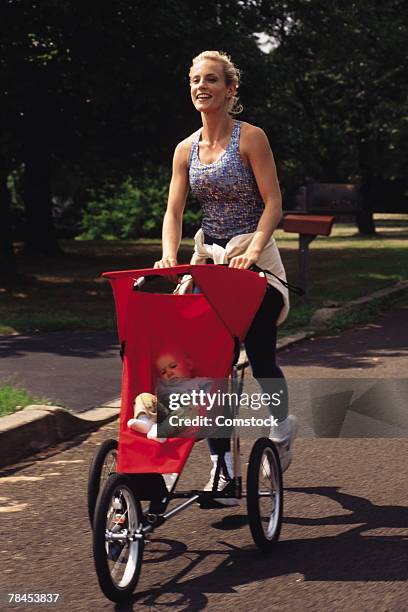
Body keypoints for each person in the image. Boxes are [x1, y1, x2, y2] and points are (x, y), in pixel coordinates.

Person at [154, 50, 297, 501]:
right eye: (195, 79)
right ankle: (221, 465)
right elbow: (174, 210)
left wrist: (253, 250)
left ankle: (282, 426)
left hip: (256, 262)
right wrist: (168, 257)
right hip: (211, 261)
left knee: (260, 357)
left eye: (212, 79)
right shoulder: (185, 149)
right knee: (207, 363)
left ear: (230, 89)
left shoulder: (251, 138)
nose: (202, 86)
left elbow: (273, 202)